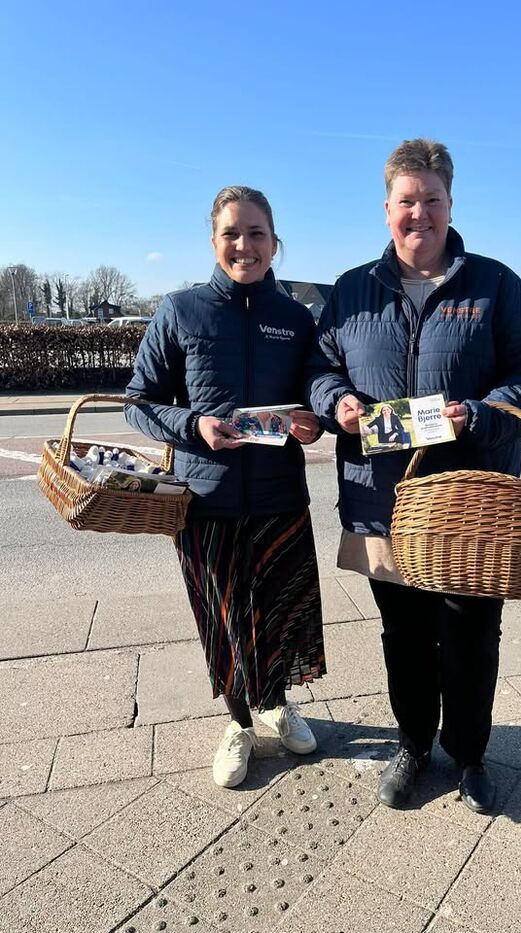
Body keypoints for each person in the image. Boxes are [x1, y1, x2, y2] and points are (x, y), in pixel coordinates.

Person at [308, 139, 521, 813]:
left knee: (472, 635)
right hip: (382, 499)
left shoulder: (495, 284)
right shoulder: (352, 290)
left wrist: (480, 413)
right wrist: (337, 401)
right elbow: (319, 368)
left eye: (432, 199)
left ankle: (470, 753)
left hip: (471, 504)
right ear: (387, 207)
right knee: (405, 636)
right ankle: (413, 744)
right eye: (407, 200)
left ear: (451, 203)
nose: (419, 213)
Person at [125, 185, 326, 789]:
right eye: (232, 234)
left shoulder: (295, 318)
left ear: (275, 242)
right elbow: (139, 402)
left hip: (279, 497)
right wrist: (195, 426)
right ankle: (239, 722)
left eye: (256, 233)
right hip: (205, 501)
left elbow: (317, 389)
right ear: (214, 242)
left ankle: (277, 703)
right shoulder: (181, 310)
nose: (245, 246)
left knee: (279, 612)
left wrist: (314, 421)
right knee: (225, 619)